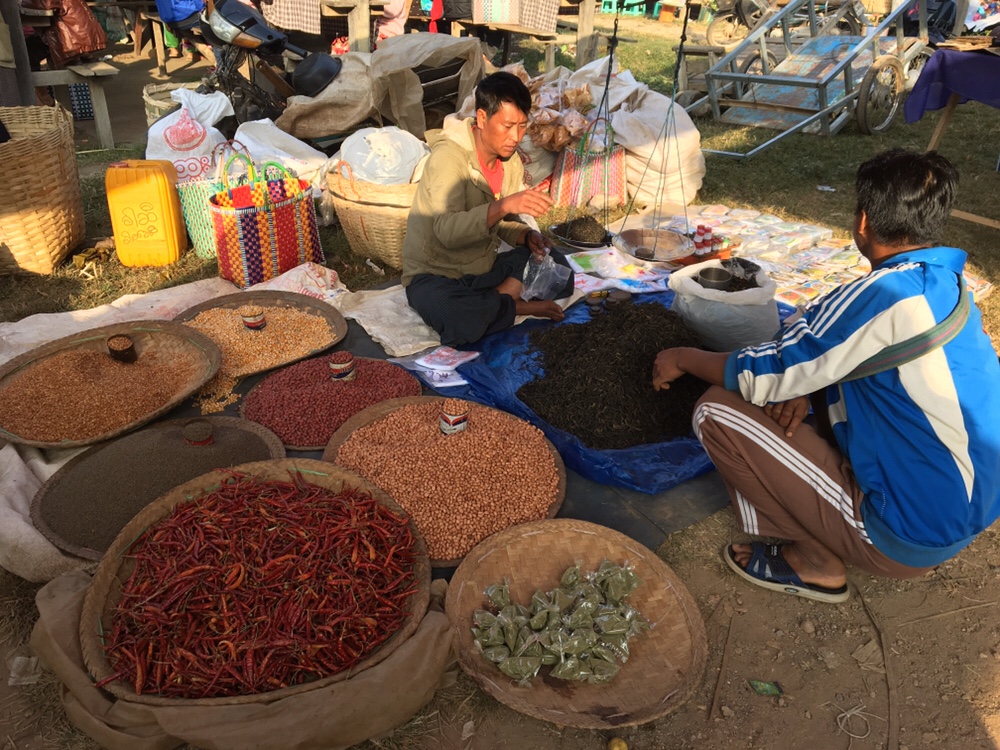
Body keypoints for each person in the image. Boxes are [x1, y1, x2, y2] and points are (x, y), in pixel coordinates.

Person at [652, 149, 1000, 603]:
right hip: (968, 507)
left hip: (909, 533)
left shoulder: (884, 294)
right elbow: (830, 347)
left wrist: (682, 357)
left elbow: (762, 373)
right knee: (800, 390)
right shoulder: (947, 283)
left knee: (716, 411)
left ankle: (815, 561)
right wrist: (806, 385)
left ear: (862, 222)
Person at [402, 71, 575, 347]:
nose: (515, 137)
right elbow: (447, 231)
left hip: (481, 269)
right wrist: (504, 204)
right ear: (482, 118)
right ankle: (515, 305)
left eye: (521, 126)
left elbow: (500, 222)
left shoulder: (509, 160)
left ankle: (494, 300)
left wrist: (526, 236)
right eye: (507, 126)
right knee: (459, 319)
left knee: (559, 267)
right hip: (437, 273)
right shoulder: (448, 159)